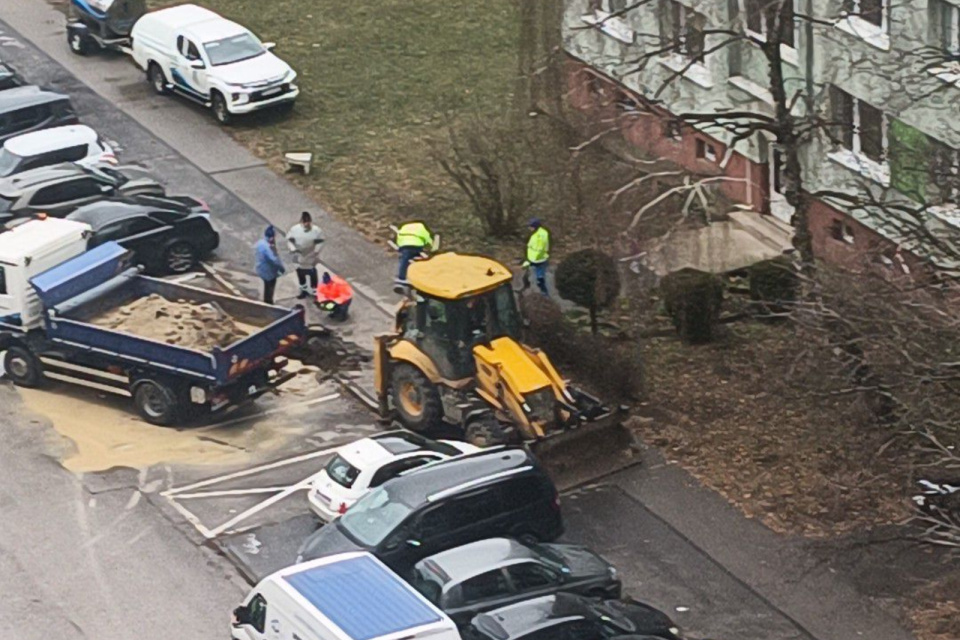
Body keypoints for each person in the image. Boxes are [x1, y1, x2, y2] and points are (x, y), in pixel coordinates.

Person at [286, 211, 324, 299]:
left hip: (311, 256)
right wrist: (293, 249)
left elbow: (321, 241)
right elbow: (289, 240)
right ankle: (304, 291)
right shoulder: (295, 229)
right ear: (302, 221)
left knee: (313, 276)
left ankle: (315, 293)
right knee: (301, 276)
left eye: (308, 222)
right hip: (299, 256)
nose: (307, 224)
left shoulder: (316, 230)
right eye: (305, 222)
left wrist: (316, 251)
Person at [255, 226, 285, 304]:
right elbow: (274, 260)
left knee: (266, 286)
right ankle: (268, 302)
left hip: (261, 269)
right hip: (269, 273)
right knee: (270, 287)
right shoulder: (268, 248)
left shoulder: (260, 243)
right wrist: (282, 269)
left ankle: (267, 300)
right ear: (271, 237)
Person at [523, 217, 550, 296]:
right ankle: (530, 289)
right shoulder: (537, 233)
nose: (529, 228)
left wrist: (530, 260)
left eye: (530, 226)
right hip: (534, 259)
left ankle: (544, 294)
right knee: (527, 275)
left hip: (538, 260)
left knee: (540, 279)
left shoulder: (541, 235)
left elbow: (540, 249)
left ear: (535, 226)